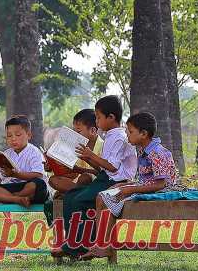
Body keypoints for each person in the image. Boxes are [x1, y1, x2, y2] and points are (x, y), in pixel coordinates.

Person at [81, 112, 177, 260]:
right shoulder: (141, 149)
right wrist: (125, 184)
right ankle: (101, 243)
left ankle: (104, 245)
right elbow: (144, 179)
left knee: (109, 197)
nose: (127, 135)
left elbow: (160, 184)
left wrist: (131, 188)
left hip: (163, 190)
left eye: (130, 132)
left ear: (143, 134)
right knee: (102, 196)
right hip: (144, 187)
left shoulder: (157, 152)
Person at [51, 95, 137, 260]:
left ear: (111, 117)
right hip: (106, 178)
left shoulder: (119, 137)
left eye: (98, 117)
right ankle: (73, 243)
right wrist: (88, 158)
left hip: (117, 182)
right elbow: (103, 168)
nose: (96, 121)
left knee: (79, 200)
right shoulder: (110, 136)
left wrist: (91, 155)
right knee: (70, 196)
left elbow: (112, 167)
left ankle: (80, 246)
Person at [0, 115, 48, 207]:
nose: (13, 139)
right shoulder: (5, 154)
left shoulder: (34, 152)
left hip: (28, 187)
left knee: (39, 184)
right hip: (10, 187)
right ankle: (16, 199)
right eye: (9, 136)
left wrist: (15, 174)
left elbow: (39, 175)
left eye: (18, 135)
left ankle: (7, 198)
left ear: (29, 135)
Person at [48, 109, 104, 193]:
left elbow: (102, 173)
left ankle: (72, 194)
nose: (75, 134)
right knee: (53, 180)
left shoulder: (103, 147)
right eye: (73, 131)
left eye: (78, 131)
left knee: (85, 177)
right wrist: (53, 166)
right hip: (77, 182)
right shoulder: (75, 147)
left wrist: (79, 169)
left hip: (97, 183)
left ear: (92, 131)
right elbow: (73, 174)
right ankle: (76, 193)